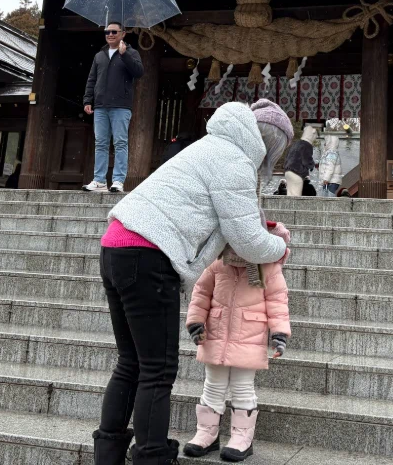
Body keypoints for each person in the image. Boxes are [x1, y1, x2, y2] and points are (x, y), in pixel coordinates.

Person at [93, 99, 293, 465]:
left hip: (116, 245)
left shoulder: (211, 146)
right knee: (158, 369)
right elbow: (247, 239)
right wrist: (280, 245)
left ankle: (108, 453)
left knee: (131, 362)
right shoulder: (234, 162)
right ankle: (151, 456)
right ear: (269, 145)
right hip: (149, 254)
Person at [184, 220, 291, 462]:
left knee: (243, 387)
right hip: (215, 333)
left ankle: (242, 437)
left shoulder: (268, 267)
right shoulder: (217, 263)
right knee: (212, 385)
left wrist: (279, 333)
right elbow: (201, 293)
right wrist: (195, 321)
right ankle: (206, 434)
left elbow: (277, 302)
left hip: (248, 336)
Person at [83, 22, 144, 193]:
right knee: (101, 143)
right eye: (107, 31)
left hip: (121, 106)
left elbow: (139, 72)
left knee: (120, 143)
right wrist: (88, 100)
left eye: (114, 32)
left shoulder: (131, 53)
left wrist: (124, 55)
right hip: (101, 105)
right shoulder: (99, 56)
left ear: (123, 34)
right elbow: (91, 80)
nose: (110, 34)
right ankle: (99, 180)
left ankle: (118, 180)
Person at [283, 125, 317, 196]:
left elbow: (287, 156)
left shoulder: (295, 144)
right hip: (297, 172)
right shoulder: (307, 145)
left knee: (290, 193)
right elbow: (306, 159)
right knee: (296, 194)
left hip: (288, 171)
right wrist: (312, 165)